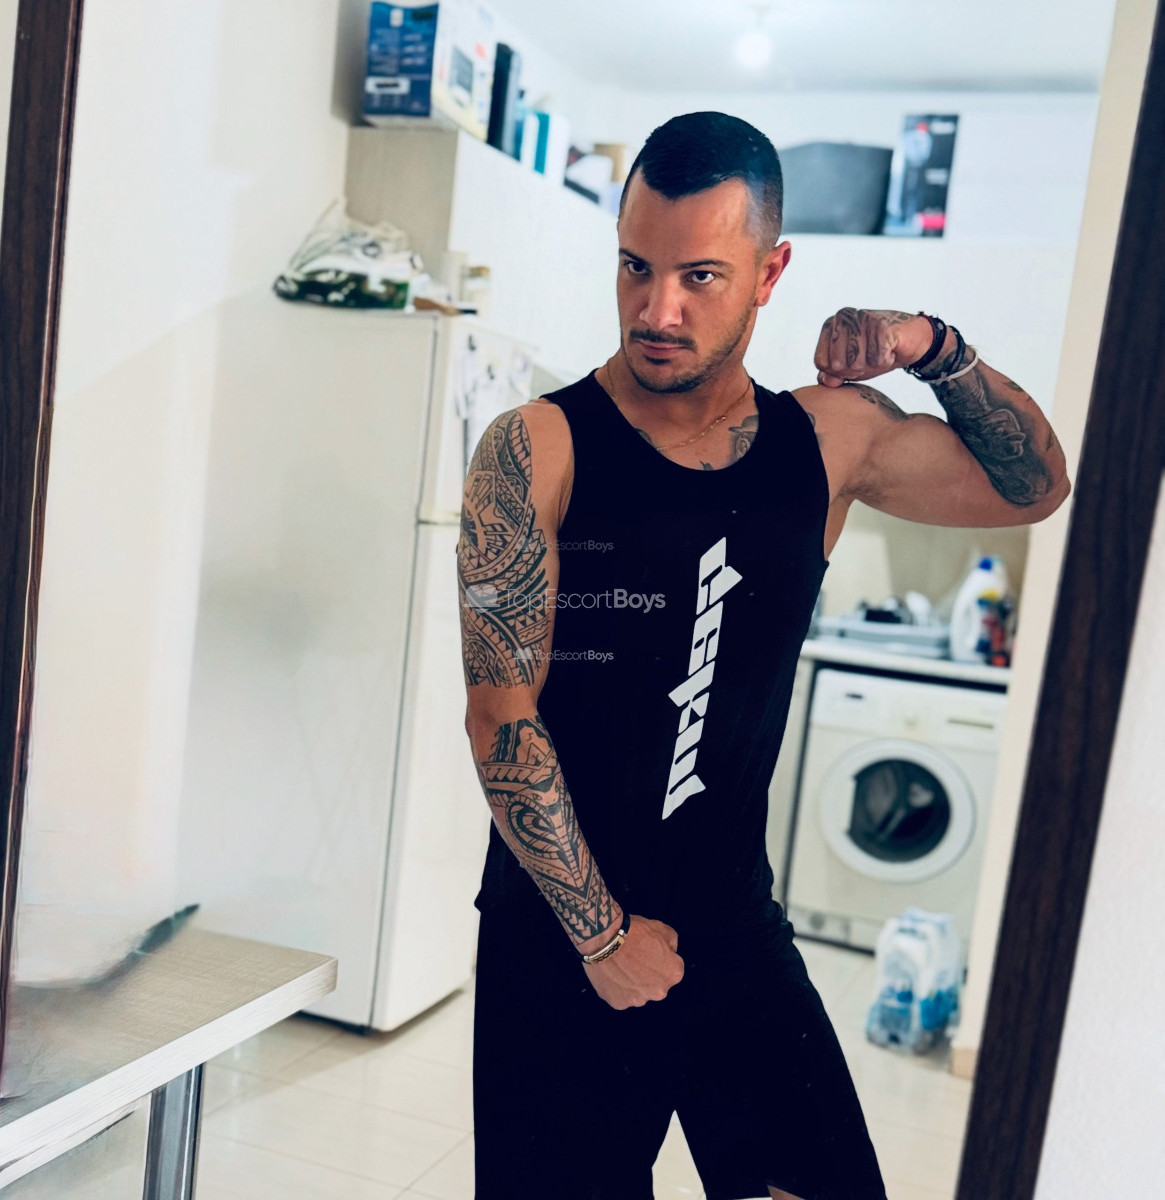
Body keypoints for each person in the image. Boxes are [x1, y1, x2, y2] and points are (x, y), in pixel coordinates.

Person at [456, 111, 1069, 1200]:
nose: (659, 310)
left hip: (732, 924)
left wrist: (931, 346)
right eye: (636, 268)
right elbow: (502, 716)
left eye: (700, 276)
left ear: (770, 273)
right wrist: (601, 938)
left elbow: (1035, 487)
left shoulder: (829, 439)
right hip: (557, 933)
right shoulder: (537, 445)